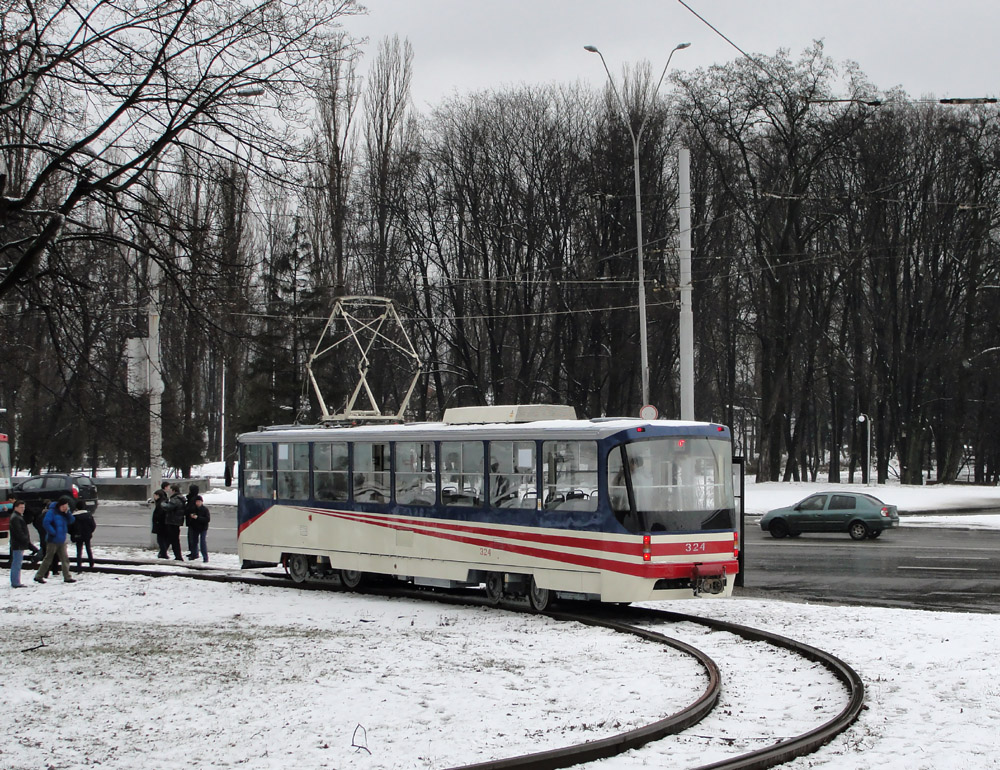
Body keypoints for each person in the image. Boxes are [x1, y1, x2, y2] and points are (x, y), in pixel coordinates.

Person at [33, 496, 77, 584]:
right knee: (48, 558)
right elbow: (46, 522)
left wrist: (68, 513)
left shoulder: (64, 513)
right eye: (64, 506)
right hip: (52, 540)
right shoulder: (52, 512)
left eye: (66, 506)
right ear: (60, 505)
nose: (65, 507)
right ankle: (39, 576)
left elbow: (71, 520)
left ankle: (67, 577)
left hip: (62, 539)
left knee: (65, 559)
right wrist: (52, 532)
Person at [8, 500, 40, 588]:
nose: (23, 509)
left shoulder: (17, 517)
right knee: (17, 563)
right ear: (16, 507)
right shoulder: (16, 518)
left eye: (23, 507)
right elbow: (19, 533)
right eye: (21, 507)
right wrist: (28, 544)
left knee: (17, 563)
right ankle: (15, 582)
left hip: (18, 543)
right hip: (18, 544)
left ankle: (15, 581)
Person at [162, 484, 186, 561]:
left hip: (172, 521)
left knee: (174, 540)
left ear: (173, 491)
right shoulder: (180, 498)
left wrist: (162, 503)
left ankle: (178, 556)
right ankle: (163, 552)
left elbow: (168, 507)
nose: (169, 491)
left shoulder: (175, 499)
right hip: (176, 521)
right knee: (171, 538)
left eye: (170, 490)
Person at [70, 506, 97, 571]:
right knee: (88, 549)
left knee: (79, 551)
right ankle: (91, 563)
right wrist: (90, 532)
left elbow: (70, 527)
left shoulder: (74, 517)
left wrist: (73, 534)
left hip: (78, 535)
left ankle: (79, 566)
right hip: (87, 535)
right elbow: (93, 525)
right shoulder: (88, 515)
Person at [186, 495, 211, 562]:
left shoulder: (205, 509)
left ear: (202, 502)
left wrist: (197, 518)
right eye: (197, 501)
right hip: (195, 527)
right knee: (194, 542)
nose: (198, 503)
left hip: (203, 528)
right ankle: (194, 554)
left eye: (199, 501)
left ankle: (205, 557)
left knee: (202, 542)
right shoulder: (193, 509)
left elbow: (207, 519)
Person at [150, 481, 170, 558]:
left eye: (155, 495)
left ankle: (163, 553)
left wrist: (157, 521)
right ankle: (162, 553)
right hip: (162, 522)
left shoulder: (161, 502)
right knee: (164, 538)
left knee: (161, 539)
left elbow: (160, 513)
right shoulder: (162, 500)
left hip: (161, 523)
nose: (154, 497)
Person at [184, 484, 200, 559]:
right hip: (191, 521)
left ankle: (194, 553)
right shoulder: (191, 498)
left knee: (193, 538)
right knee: (191, 537)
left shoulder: (194, 499)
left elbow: (191, 509)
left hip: (193, 521)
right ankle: (192, 552)